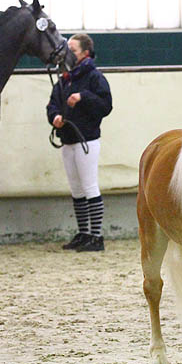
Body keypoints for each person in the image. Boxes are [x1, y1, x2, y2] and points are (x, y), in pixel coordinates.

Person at [46, 33, 113, 252]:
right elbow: (52, 104)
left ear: (84, 53)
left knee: (89, 186)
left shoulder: (94, 77)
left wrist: (83, 97)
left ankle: (96, 236)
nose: (68, 53)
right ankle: (84, 233)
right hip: (68, 139)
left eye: (72, 50)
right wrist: (54, 116)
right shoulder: (65, 78)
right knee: (76, 189)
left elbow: (106, 105)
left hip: (87, 139)